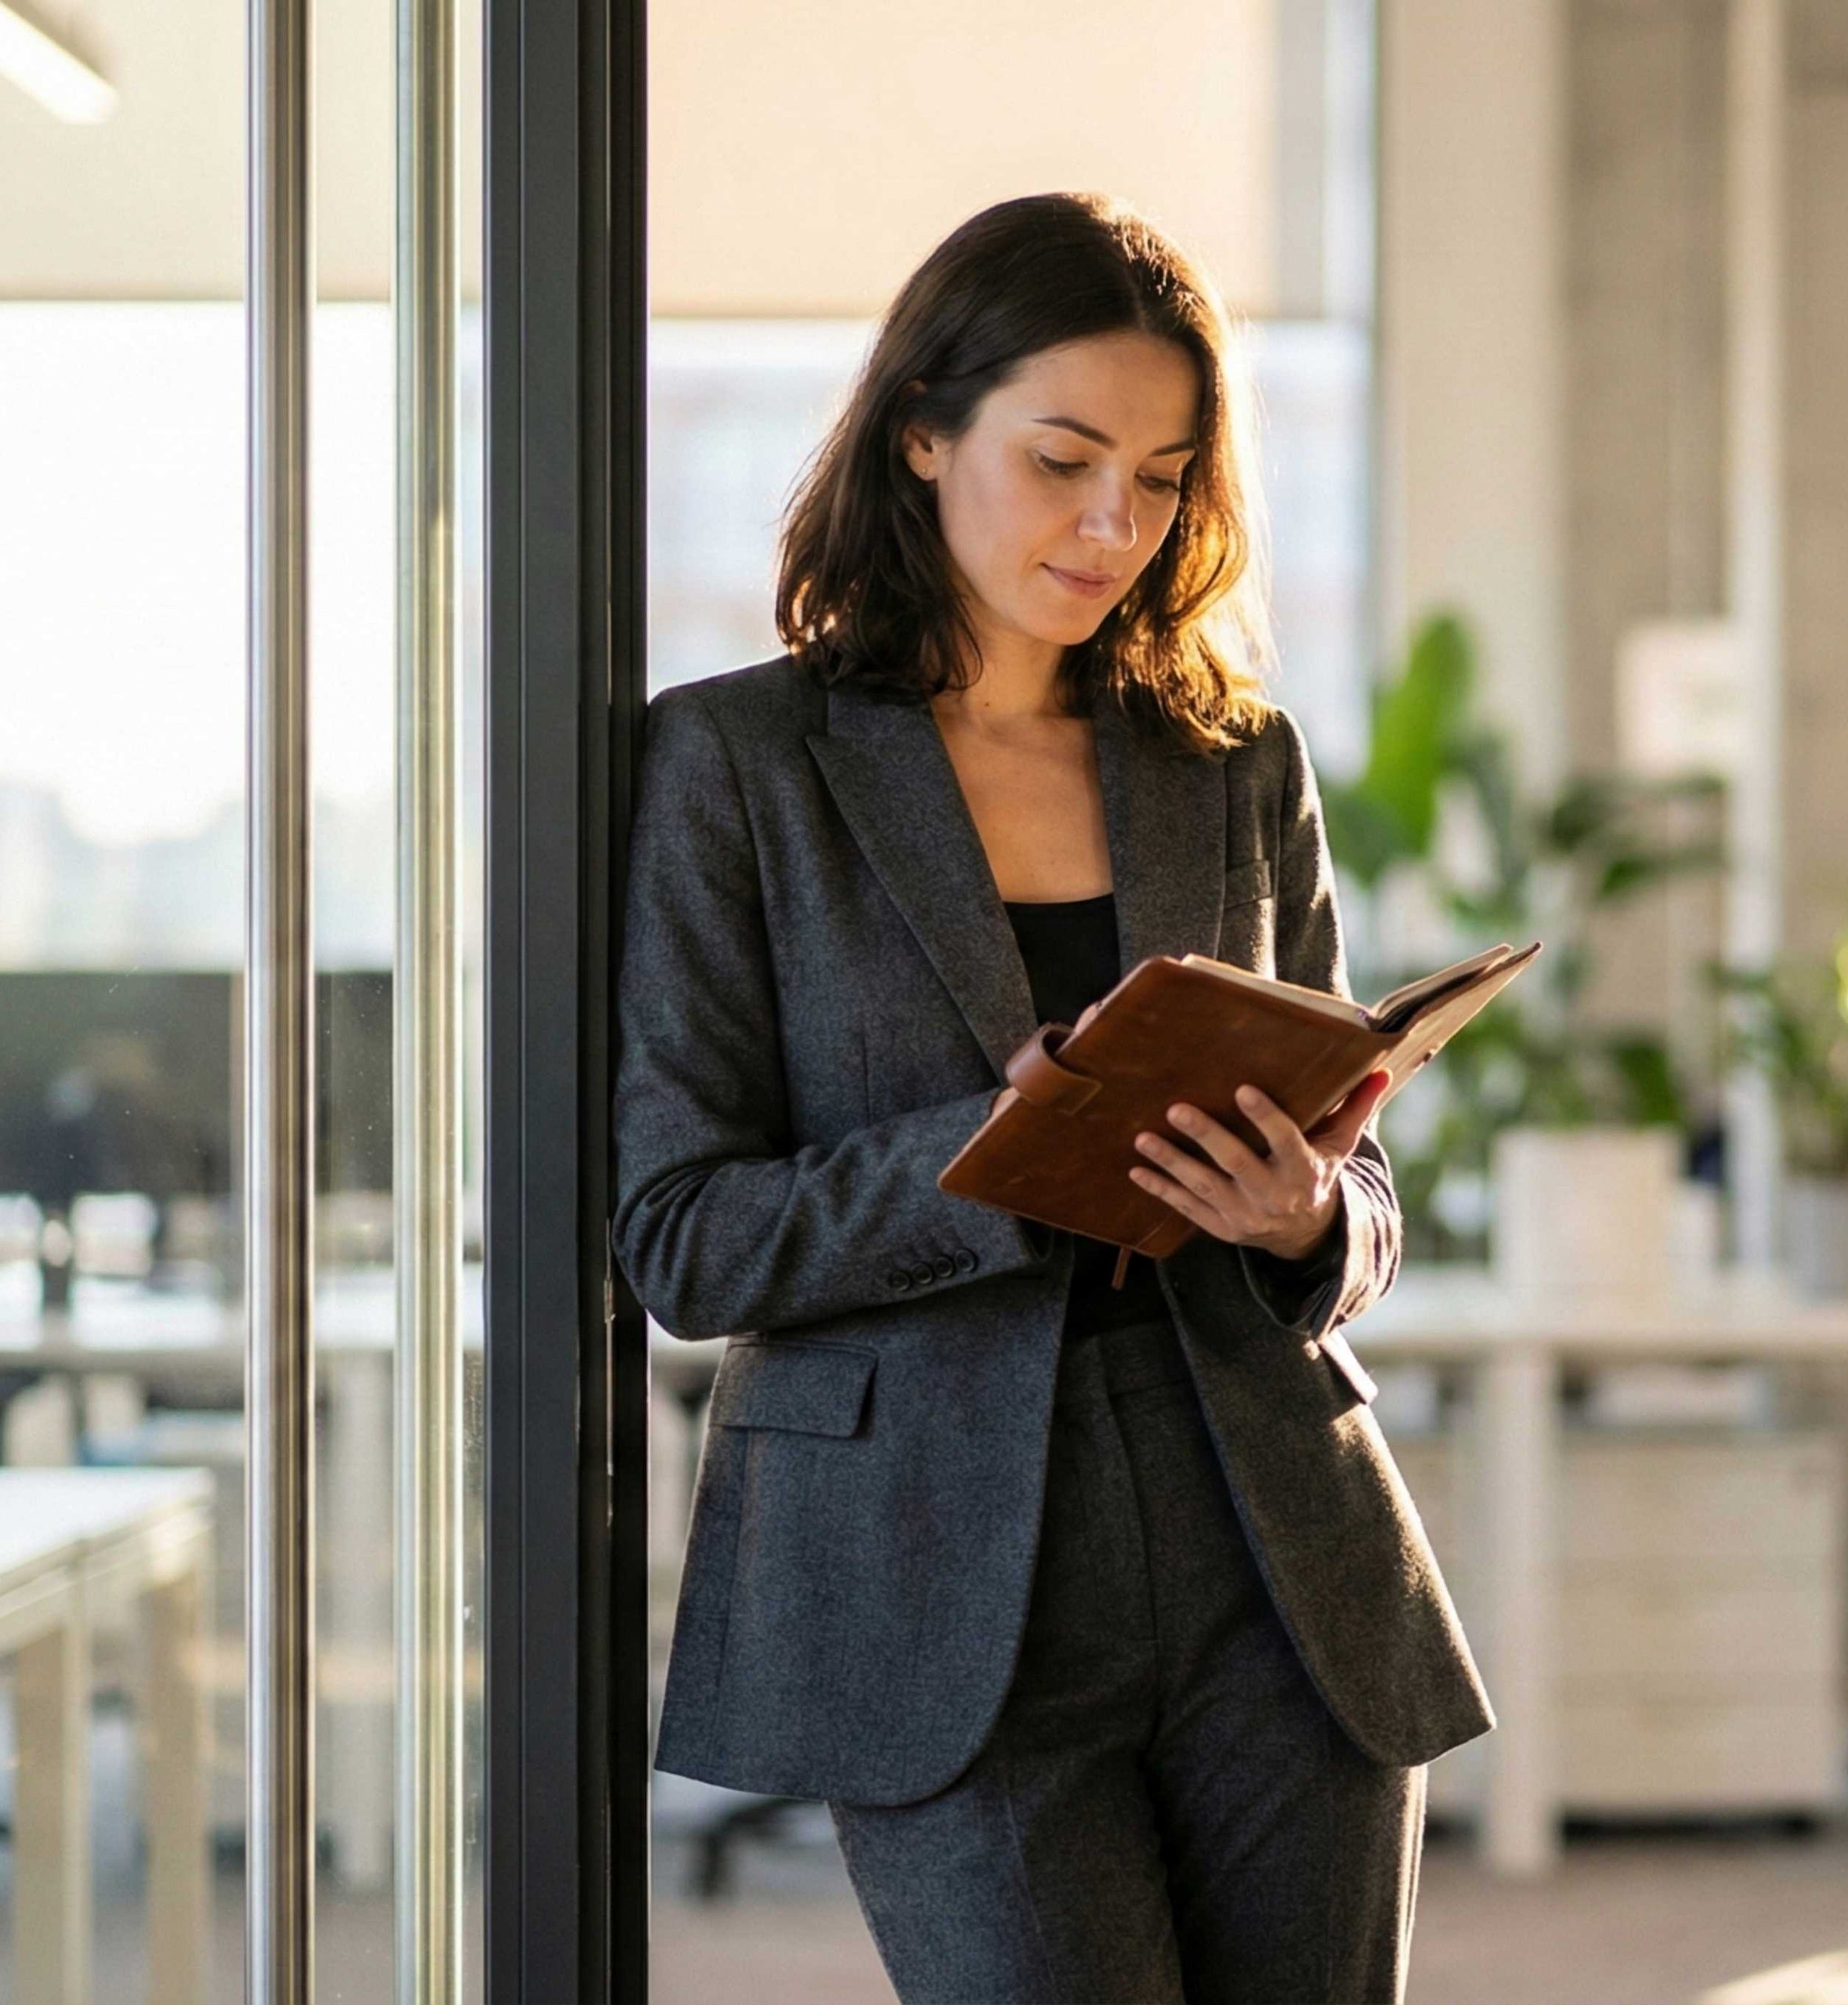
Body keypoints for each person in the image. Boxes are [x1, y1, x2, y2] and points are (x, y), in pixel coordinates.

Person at [609, 191, 1492, 2004]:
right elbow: (681, 1237)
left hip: (1273, 1545)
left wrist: (1312, 1214)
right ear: (922, 427)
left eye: (1162, 479)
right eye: (1063, 457)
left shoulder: (1233, 760)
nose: (1111, 524)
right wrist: (1004, 1159)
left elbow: (1365, 1177)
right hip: (930, 1565)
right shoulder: (732, 768)